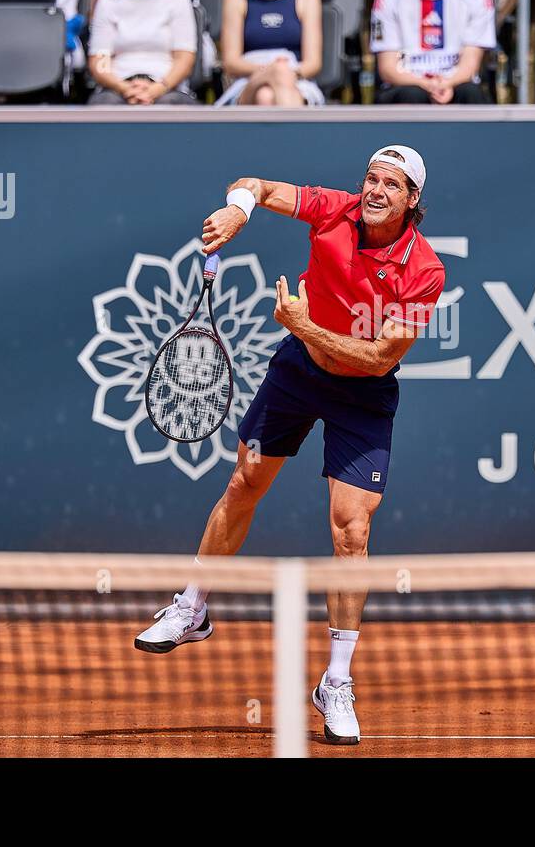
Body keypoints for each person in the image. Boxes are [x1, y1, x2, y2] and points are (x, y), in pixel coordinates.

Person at [134, 145, 447, 746]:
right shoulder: (335, 210)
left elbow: (381, 355)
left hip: (363, 395)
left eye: (392, 184)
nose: (376, 190)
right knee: (244, 483)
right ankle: (193, 605)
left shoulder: (424, 269)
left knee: (351, 530)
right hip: (296, 375)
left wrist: (303, 325)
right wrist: (238, 210)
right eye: (371, 178)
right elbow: (255, 182)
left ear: (413, 201)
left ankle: (336, 681)